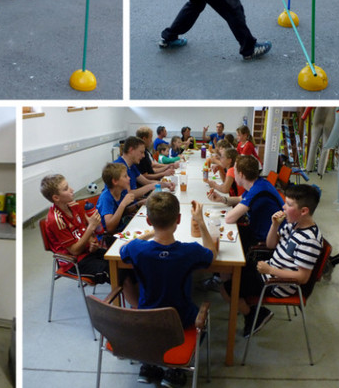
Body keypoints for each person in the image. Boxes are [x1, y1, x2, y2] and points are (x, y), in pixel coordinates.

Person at [120, 193, 218, 386]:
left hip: (146, 319)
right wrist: (200, 221)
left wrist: (148, 235)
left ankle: (149, 364)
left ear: (148, 220)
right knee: (200, 316)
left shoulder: (138, 249)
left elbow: (124, 248)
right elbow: (212, 255)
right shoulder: (190, 252)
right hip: (180, 321)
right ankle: (175, 370)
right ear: (179, 219)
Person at [221, 184, 323, 338]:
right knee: (227, 270)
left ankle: (254, 315)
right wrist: (274, 225)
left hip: (277, 283)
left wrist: (271, 271)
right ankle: (248, 307)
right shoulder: (292, 224)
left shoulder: (310, 240)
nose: (283, 206)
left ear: (303, 211)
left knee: (226, 286)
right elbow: (270, 245)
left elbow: (302, 277)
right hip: (269, 270)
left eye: (288, 204)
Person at [40, 173, 138, 305]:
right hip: (75, 262)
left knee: (125, 261)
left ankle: (141, 300)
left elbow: (87, 230)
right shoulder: (56, 220)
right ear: (56, 197)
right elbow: (74, 250)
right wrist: (91, 228)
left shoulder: (73, 205)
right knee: (120, 272)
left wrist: (93, 241)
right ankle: (137, 310)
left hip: (88, 252)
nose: (72, 190)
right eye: (66, 189)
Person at [207, 154, 284, 253]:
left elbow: (229, 218)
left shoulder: (258, 190)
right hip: (259, 229)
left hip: (265, 238)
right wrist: (222, 199)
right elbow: (240, 199)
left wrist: (227, 204)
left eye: (234, 171)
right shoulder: (258, 183)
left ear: (241, 174)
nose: (233, 174)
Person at [96, 163, 136, 236]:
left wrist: (139, 204)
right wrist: (123, 204)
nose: (129, 178)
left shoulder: (122, 191)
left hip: (121, 229)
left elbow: (121, 212)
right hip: (108, 237)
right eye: (125, 176)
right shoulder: (106, 197)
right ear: (115, 181)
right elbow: (110, 228)